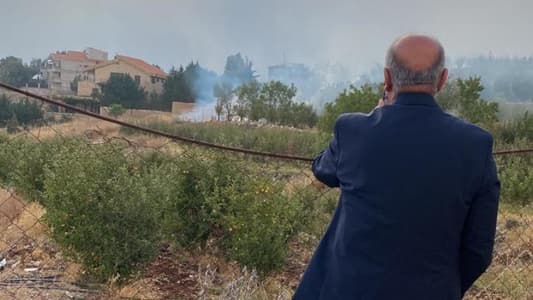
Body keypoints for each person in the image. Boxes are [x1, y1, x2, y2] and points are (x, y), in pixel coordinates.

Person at [293, 34, 500, 300]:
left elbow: (323, 169)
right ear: (442, 79)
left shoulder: (353, 130)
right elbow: (479, 250)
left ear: (387, 79)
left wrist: (376, 113)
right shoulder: (476, 145)